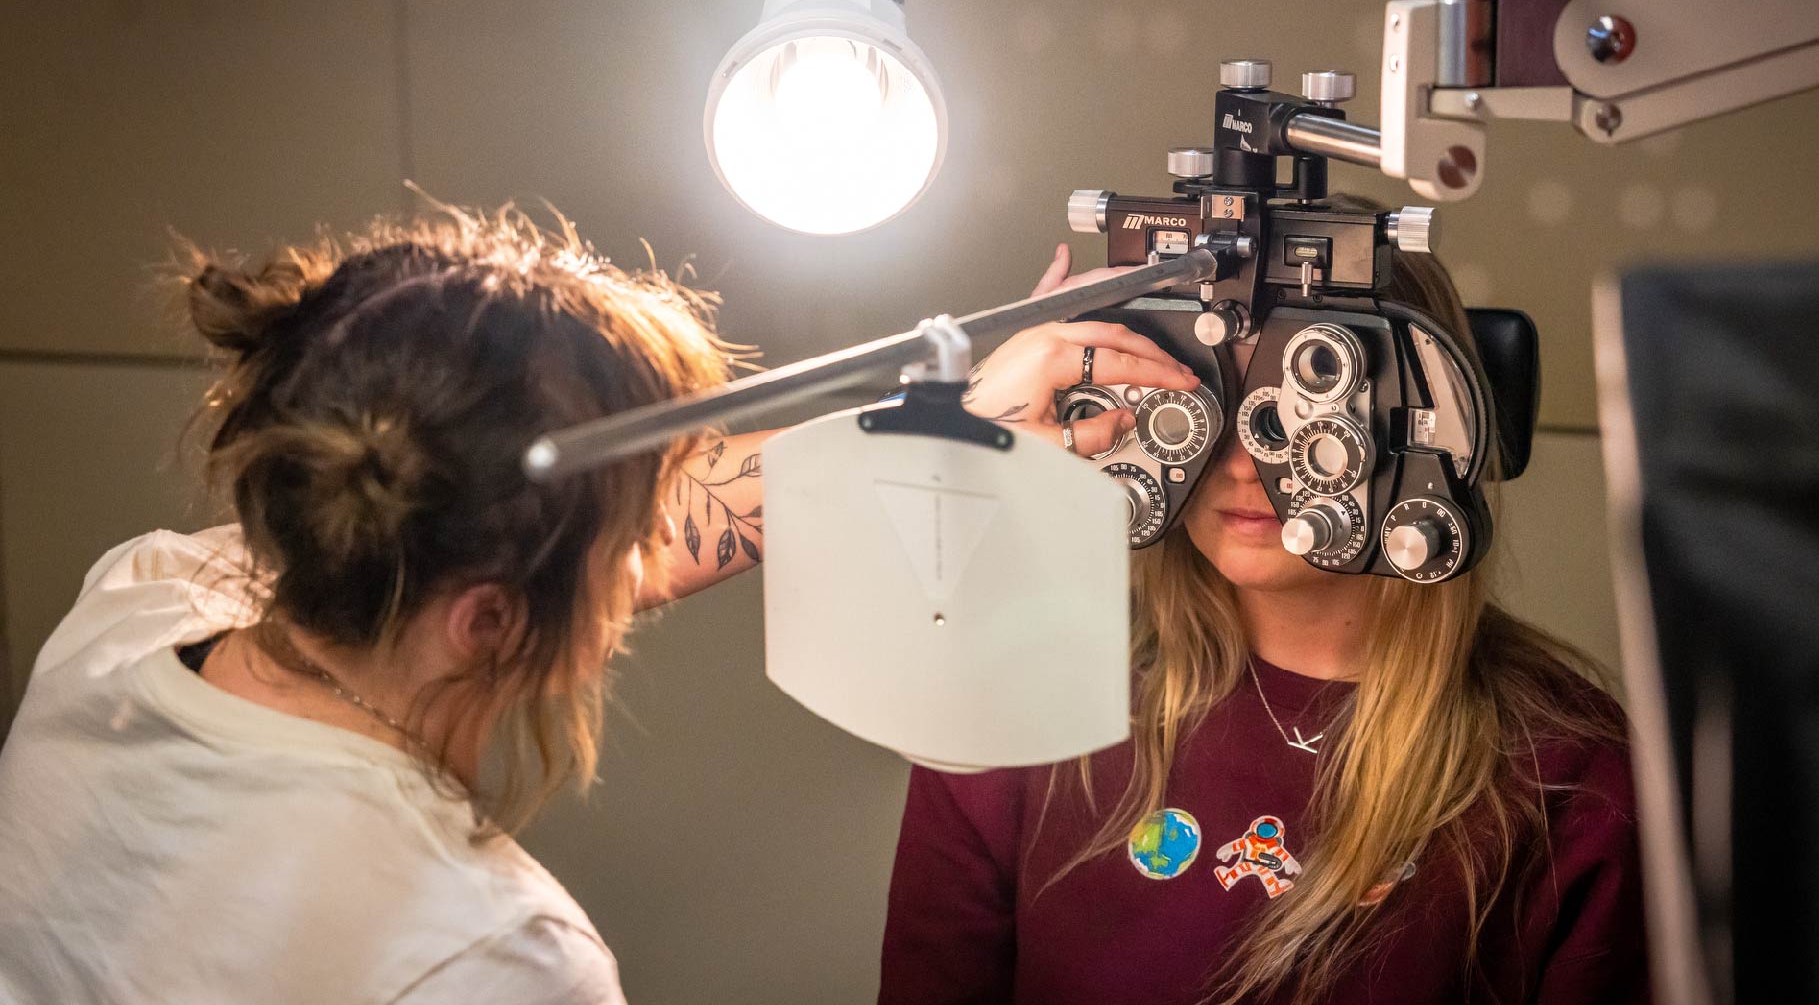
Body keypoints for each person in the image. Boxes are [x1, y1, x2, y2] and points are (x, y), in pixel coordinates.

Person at [0, 206, 1175, 1003]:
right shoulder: (484, 954)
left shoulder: (143, 604)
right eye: (618, 554)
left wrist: (952, 416)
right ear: (488, 622)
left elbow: (544, 520)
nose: (640, 569)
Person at [878, 213, 1649, 1004]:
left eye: (1302, 411)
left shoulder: (1568, 782)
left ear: (1432, 422)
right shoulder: (1015, 707)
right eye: (1209, 397)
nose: (1244, 463)